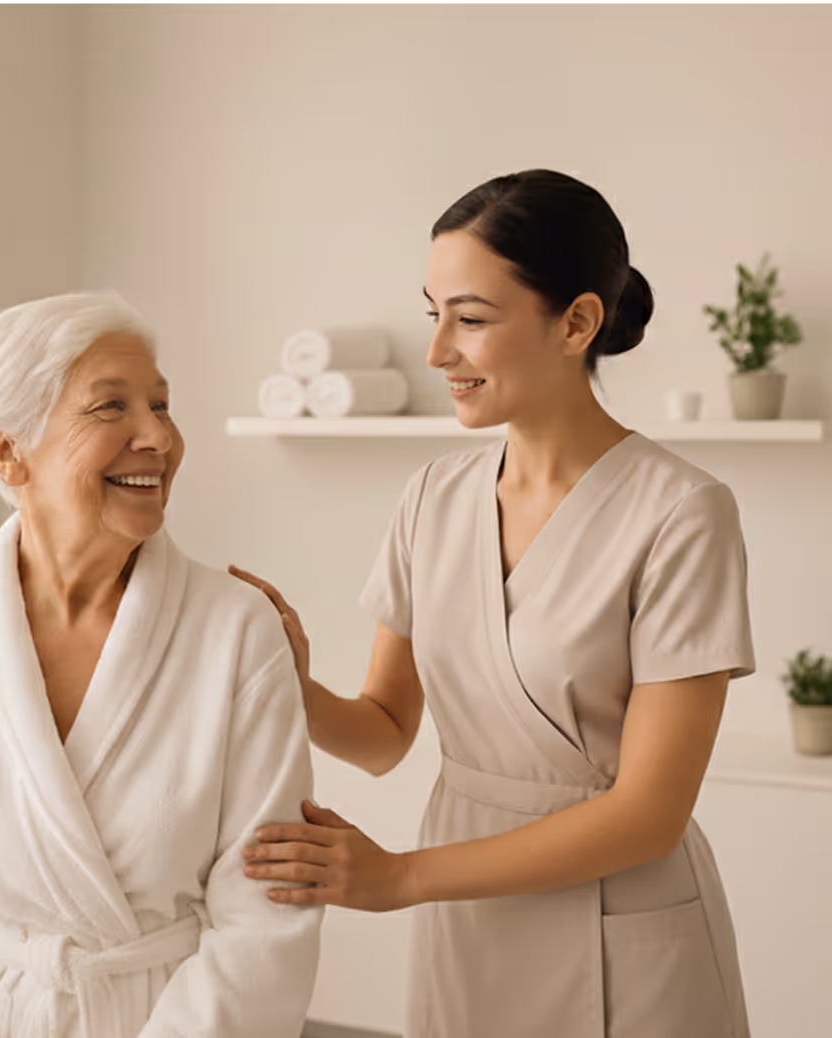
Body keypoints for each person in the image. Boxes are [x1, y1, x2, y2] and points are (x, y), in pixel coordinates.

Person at [234, 170, 755, 1038]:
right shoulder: (432, 497)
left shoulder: (682, 513)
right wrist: (289, 681)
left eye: (470, 319)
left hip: (615, 921)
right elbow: (385, 731)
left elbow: (650, 816)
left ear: (577, 323)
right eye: (432, 312)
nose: (437, 351)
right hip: (467, 915)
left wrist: (400, 877)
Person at [0, 291, 322, 1037]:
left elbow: (266, 920)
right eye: (109, 408)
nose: (157, 436)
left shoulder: (237, 632)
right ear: (6, 451)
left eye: (160, 403)